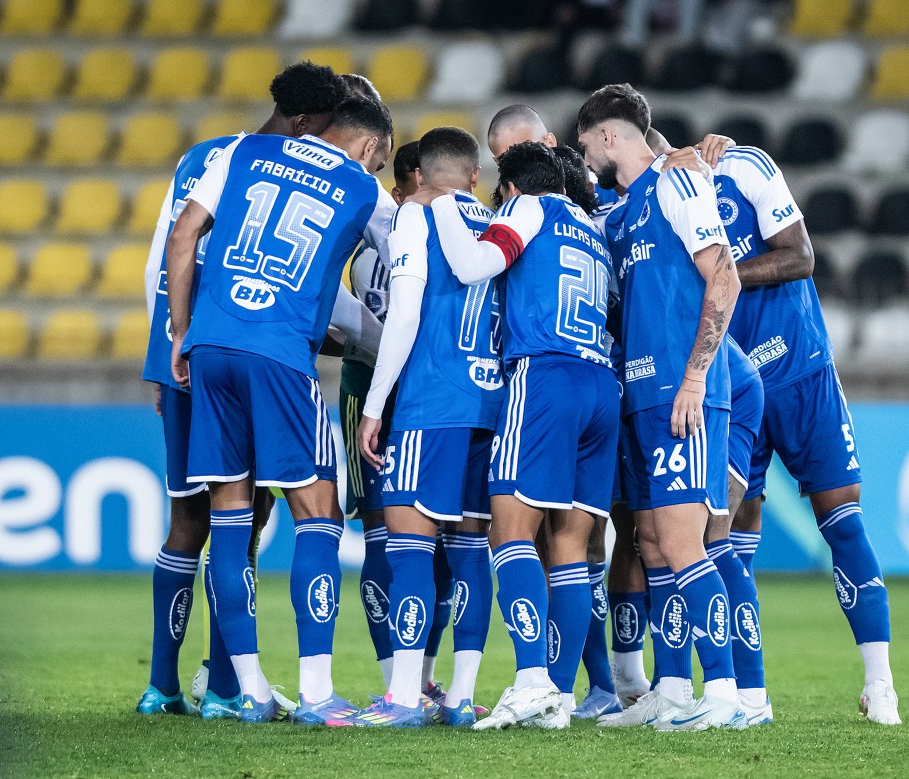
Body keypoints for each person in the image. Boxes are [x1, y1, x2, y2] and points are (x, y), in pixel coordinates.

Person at [166, 97, 395, 724]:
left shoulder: (241, 150)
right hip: (280, 354)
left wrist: (180, 332)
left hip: (211, 345)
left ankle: (249, 690)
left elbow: (183, 234)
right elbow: (412, 261)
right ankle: (317, 693)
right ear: (368, 148)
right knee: (318, 514)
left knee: (230, 517)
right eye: (379, 160)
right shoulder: (363, 188)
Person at [136, 61, 346, 719]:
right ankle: (227, 687)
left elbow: (162, 256)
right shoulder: (291, 168)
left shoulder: (205, 155)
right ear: (307, 122)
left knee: (190, 520)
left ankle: (164, 686)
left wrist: (165, 347)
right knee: (245, 514)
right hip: (241, 345)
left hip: (185, 348)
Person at [427, 141, 619, 730]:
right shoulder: (592, 230)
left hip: (544, 376)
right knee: (570, 549)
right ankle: (556, 695)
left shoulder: (529, 206)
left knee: (509, 533)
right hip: (601, 385)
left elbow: (472, 266)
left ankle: (532, 679)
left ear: (510, 187)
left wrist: (442, 205)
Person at [708, 138, 899, 723]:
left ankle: (881, 683)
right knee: (725, 532)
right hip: (733, 385)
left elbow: (800, 256)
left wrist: (719, 275)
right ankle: (747, 693)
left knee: (842, 519)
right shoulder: (663, 196)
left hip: (799, 370)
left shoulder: (741, 166)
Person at [578, 83, 746, 731]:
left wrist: (696, 377)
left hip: (684, 395)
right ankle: (673, 689)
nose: (586, 158)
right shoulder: (627, 210)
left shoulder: (678, 184)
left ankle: (725, 693)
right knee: (650, 542)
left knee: (681, 543)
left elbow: (724, 274)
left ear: (609, 136)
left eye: (586, 146)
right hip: (641, 398)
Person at [340, 127, 500, 728]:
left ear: (418, 177)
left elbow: (404, 313)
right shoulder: (499, 223)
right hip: (489, 404)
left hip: (430, 402)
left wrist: (375, 404)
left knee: (408, 548)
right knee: (469, 551)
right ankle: (459, 697)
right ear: (474, 176)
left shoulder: (415, 216)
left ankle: (404, 696)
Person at [703, 336, 770, 726]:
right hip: (701, 387)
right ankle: (668, 688)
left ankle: (752, 693)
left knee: (711, 539)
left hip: (724, 389)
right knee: (661, 539)